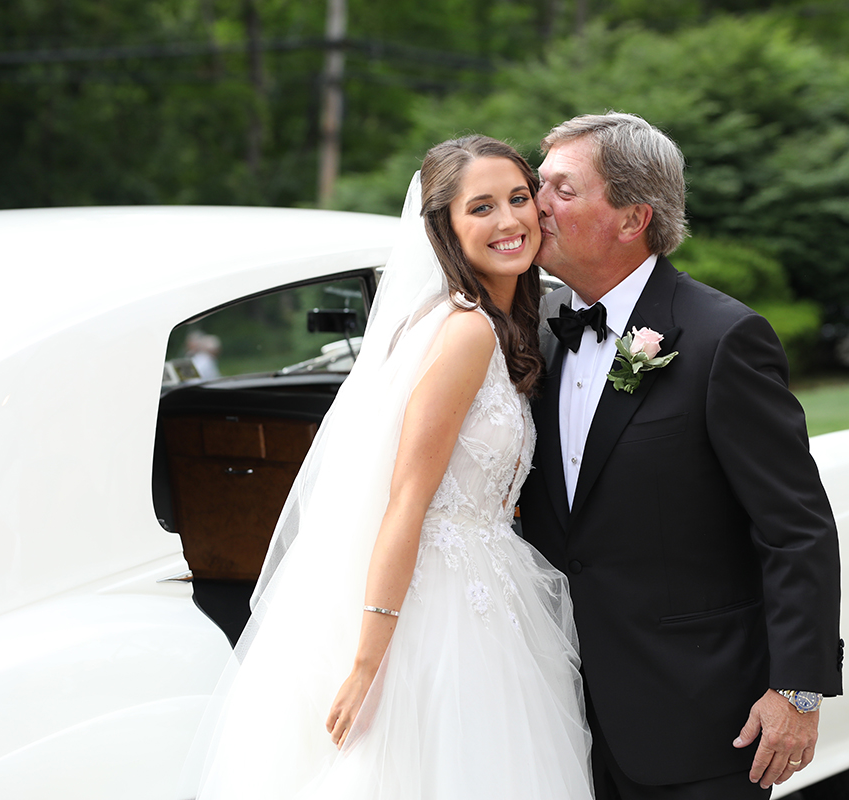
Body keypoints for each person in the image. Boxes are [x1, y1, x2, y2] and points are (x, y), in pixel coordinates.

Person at [184, 136, 594, 800]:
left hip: (487, 591)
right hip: (442, 610)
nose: (509, 221)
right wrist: (369, 664)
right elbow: (406, 499)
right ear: (445, 227)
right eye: (481, 207)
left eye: (519, 199)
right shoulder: (465, 332)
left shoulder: (481, 323)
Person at [517, 112, 844, 800]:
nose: (534, 203)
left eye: (562, 190)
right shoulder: (537, 333)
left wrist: (799, 691)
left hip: (699, 717)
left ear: (633, 218)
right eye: (536, 183)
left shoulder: (726, 340)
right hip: (555, 714)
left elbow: (795, 529)